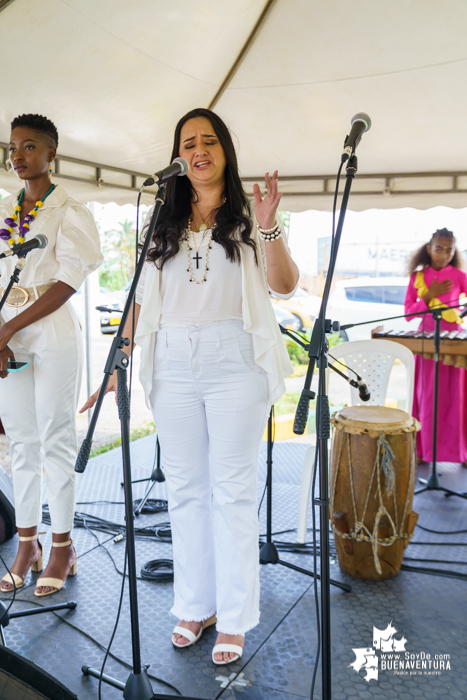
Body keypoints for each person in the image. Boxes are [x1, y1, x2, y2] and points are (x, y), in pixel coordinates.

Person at [81, 108, 299, 664]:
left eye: (208, 141)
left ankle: (235, 616)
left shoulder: (251, 216)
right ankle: (195, 605)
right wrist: (118, 357)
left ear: (225, 149)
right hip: (172, 359)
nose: (198, 150)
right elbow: (140, 298)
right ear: (179, 155)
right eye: (188, 142)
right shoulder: (162, 218)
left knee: (232, 491)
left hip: (233, 360)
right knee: (184, 489)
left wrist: (270, 222)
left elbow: (284, 284)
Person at [0, 114, 103, 596]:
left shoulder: (70, 211)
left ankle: (62, 545)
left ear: (51, 154)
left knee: (56, 438)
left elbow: (66, 283)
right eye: (14, 147)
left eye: (29, 146)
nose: (18, 155)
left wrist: (8, 330)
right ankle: (27, 544)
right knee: (20, 442)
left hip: (51, 332)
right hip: (8, 334)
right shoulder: (5, 211)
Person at [404, 227, 467, 465]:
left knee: (458, 398)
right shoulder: (417, 278)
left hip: (453, 342)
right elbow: (409, 314)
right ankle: (422, 451)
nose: (443, 254)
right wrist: (429, 296)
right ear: (429, 249)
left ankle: (461, 452)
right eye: (438, 249)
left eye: (449, 250)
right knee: (428, 397)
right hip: (426, 341)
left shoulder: (460, 276)